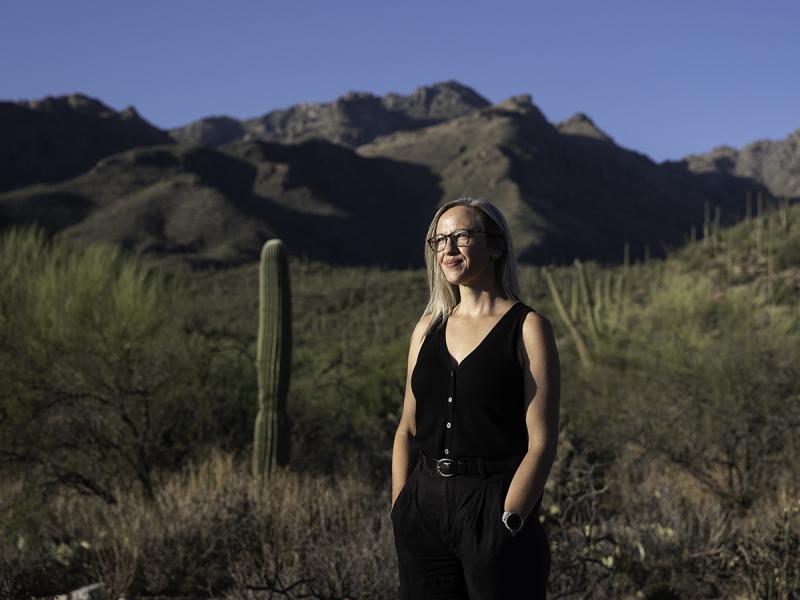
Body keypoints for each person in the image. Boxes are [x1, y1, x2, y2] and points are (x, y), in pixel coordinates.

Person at [390, 196, 560, 599]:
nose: (448, 249)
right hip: (423, 507)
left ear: (496, 246)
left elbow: (542, 442)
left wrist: (512, 516)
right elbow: (407, 428)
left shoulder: (528, 327)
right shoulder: (427, 327)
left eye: (462, 236)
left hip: (493, 503)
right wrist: (401, 508)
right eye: (440, 239)